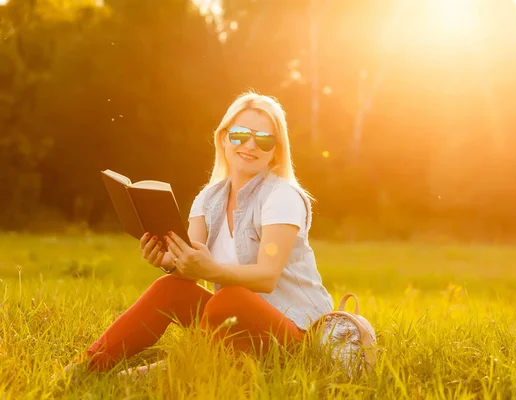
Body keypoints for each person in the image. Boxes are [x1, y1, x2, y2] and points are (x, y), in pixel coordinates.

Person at [77, 91, 333, 372]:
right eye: (239, 135)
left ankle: (166, 371)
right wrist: (167, 262)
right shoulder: (209, 199)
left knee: (229, 298)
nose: (250, 145)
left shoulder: (282, 196)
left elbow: (267, 276)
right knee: (171, 288)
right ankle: (87, 367)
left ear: (275, 151)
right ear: (223, 138)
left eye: (263, 139)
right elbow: (189, 267)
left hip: (295, 335)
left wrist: (210, 270)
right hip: (233, 323)